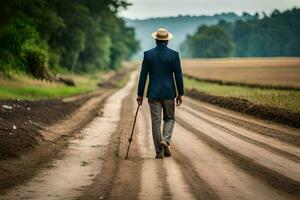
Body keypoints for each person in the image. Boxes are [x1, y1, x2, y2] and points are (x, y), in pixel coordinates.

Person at [136, 28, 184, 159]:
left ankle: (159, 152)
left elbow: (143, 76)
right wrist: (180, 93)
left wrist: (140, 94)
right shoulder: (174, 55)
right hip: (169, 93)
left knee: (155, 122)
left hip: (153, 93)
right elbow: (178, 76)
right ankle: (166, 140)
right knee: (169, 118)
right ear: (167, 41)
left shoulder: (148, 55)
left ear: (156, 40)